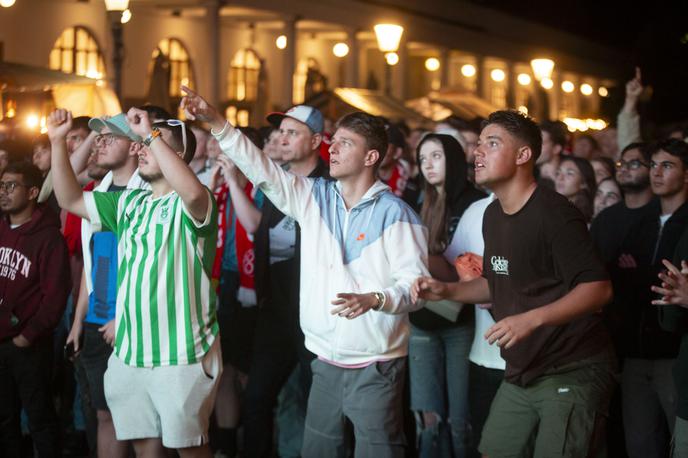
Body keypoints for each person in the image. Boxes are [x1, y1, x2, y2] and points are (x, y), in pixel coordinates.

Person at [180, 86, 428, 457]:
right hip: (324, 359)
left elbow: (415, 289)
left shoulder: (398, 215)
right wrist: (217, 123)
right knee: (319, 451)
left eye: (346, 143)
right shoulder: (315, 196)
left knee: (378, 451)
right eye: (335, 141)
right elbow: (262, 170)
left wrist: (376, 298)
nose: (335, 149)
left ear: (371, 156)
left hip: (376, 364)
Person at [413, 110, 616, 458]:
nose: (478, 153)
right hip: (523, 369)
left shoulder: (555, 214)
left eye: (492, 144)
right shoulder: (493, 214)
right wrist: (447, 291)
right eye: (478, 145)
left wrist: (532, 318)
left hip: (571, 368)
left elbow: (599, 289)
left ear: (524, 155)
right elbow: (497, 282)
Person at [47, 107, 222, 458]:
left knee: (190, 451)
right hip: (130, 354)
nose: (142, 148)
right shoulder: (129, 202)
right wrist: (56, 142)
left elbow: (190, 194)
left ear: (178, 156)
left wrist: (151, 135)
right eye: (141, 144)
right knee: (146, 451)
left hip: (182, 355)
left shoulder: (196, 202)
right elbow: (70, 199)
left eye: (151, 143)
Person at [65, 113, 146, 458]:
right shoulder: (100, 189)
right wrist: (79, 321)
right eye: (99, 137)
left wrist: (125, 317)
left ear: (134, 146)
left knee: (142, 422)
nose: (101, 142)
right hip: (99, 317)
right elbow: (92, 262)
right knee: (104, 414)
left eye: (110, 137)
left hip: (136, 323)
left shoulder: (148, 191)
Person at [408, 133, 484, 457]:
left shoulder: (474, 203)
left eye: (436, 156)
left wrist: (421, 254)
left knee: (460, 415)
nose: (428, 164)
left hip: (461, 318)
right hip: (422, 316)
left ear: (453, 159)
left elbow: (471, 267)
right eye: (422, 158)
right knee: (427, 414)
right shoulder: (417, 201)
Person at [0, 161, 71, 457]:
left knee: (40, 418)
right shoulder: (1, 228)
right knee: (4, 420)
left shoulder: (49, 237)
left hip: (29, 344)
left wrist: (28, 335)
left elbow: (55, 296)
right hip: (1, 340)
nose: (4, 192)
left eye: (11, 186)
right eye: (1, 186)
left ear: (32, 192)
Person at [555, 155, 597, 222]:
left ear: (583, 183)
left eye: (569, 173)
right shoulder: (550, 207)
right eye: (558, 173)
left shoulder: (588, 215)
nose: (560, 178)